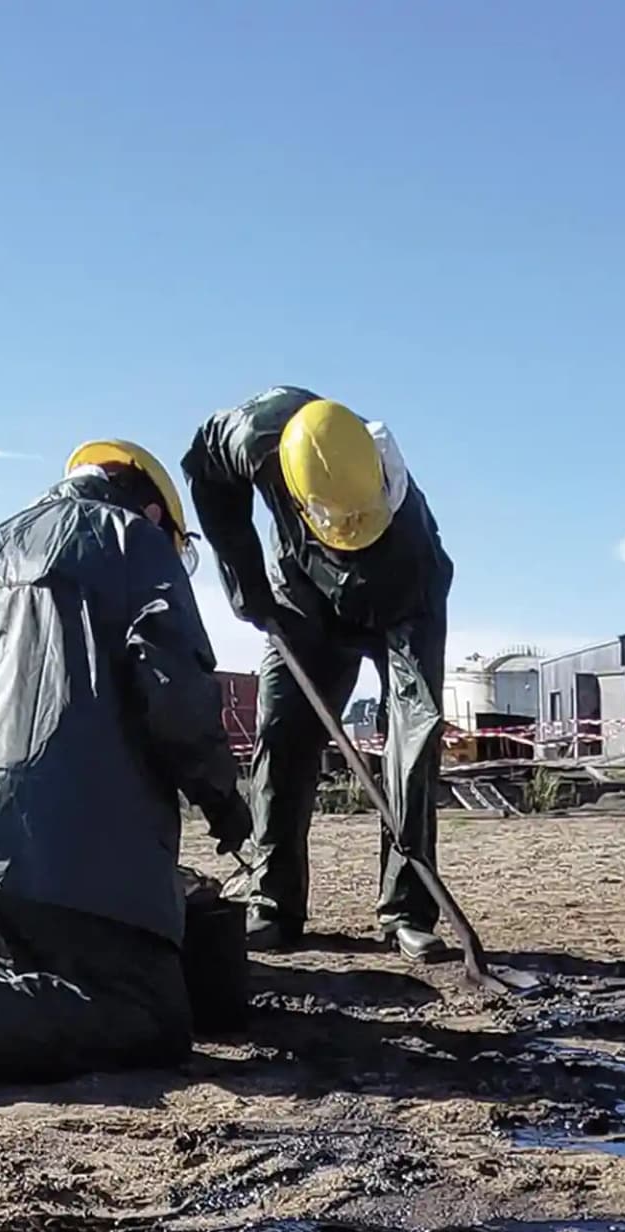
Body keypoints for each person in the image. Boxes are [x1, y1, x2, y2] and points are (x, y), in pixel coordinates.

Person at [0, 442, 255, 1100]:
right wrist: (224, 800)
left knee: (40, 968)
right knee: (152, 1014)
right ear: (151, 509)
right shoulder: (131, 540)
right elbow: (175, 693)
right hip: (78, 847)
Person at [183, 389, 456, 970]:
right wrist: (245, 583)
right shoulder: (255, 436)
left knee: (412, 749)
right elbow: (205, 474)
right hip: (302, 599)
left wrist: (408, 731)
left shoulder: (416, 559)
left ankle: (408, 910)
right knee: (280, 734)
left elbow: (413, 716)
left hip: (398, 610)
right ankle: (273, 901)